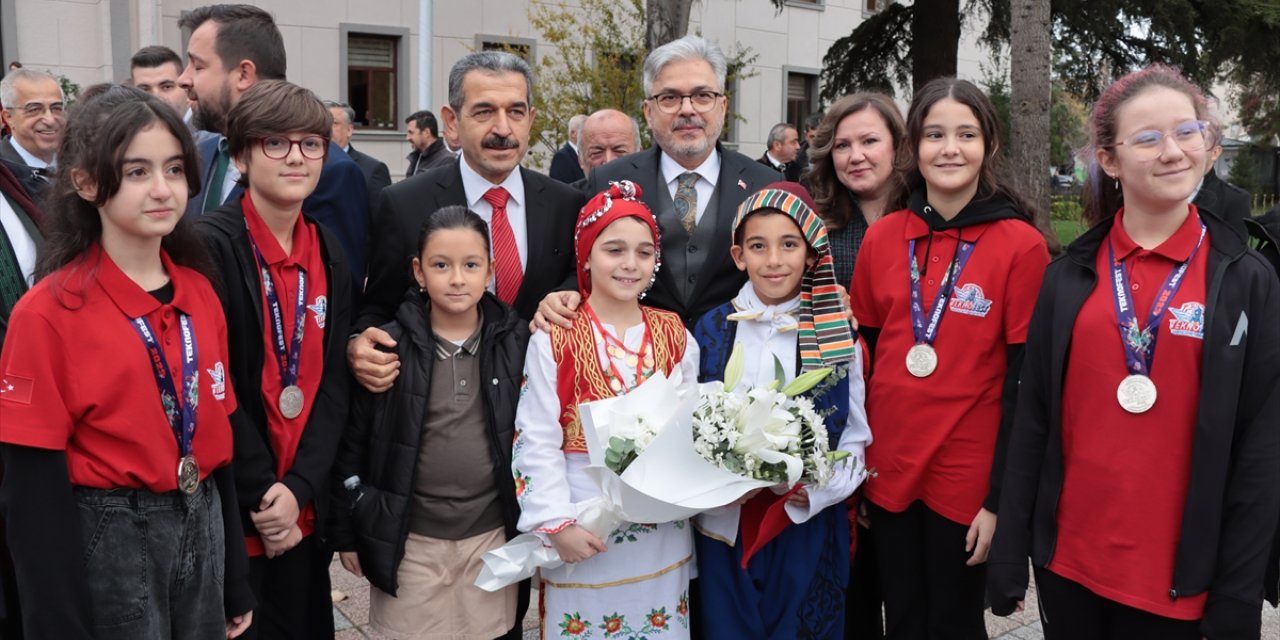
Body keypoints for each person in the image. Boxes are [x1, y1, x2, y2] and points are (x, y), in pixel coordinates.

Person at [988, 64, 1280, 640]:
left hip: (1182, 583)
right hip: (1070, 568)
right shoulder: (1067, 276)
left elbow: (1262, 451)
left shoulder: (1248, 280)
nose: (1172, 151)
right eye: (1147, 138)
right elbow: (1033, 420)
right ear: (1110, 160)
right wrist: (1010, 550)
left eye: (1187, 131)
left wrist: (1239, 594)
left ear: (1209, 143)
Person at [0, 83, 254, 639]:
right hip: (111, 534)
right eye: (137, 172)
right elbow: (31, 491)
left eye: (174, 169)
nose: (162, 189)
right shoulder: (47, 313)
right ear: (87, 183)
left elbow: (217, 443)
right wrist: (56, 622)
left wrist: (234, 571)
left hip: (202, 519)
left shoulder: (200, 293)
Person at [849, 77, 1052, 639]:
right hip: (886, 466)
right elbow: (863, 361)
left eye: (966, 133)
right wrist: (855, 469)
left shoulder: (1020, 245)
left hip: (965, 475)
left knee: (954, 623)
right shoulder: (886, 236)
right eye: (934, 134)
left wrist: (998, 501)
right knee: (903, 617)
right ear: (914, 145)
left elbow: (1023, 382)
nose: (949, 148)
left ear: (988, 144)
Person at [196, 80, 353, 640]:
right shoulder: (208, 247)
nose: (296, 157)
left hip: (301, 505)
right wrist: (267, 494)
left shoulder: (328, 248)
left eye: (311, 144)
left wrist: (302, 488)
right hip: (242, 510)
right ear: (240, 154)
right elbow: (211, 386)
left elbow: (334, 381)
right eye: (275, 143)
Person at [330, 205, 529, 639]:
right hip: (411, 541)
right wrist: (346, 531)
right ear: (419, 272)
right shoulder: (388, 347)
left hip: (490, 537)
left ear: (490, 271)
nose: (457, 278)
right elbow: (353, 444)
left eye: (471, 265)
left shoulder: (517, 342)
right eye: (441, 265)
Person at [514, 180, 699, 638]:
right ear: (587, 256)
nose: (630, 264)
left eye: (643, 252)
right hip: (582, 526)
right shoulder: (554, 336)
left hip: (660, 530)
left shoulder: (673, 332)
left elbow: (691, 425)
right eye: (614, 249)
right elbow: (535, 437)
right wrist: (555, 522)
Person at [691, 182, 871, 638]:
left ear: (811, 255)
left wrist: (816, 492)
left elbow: (853, 437)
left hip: (802, 523)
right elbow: (687, 421)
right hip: (723, 524)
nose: (774, 261)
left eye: (789, 245)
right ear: (738, 256)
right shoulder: (710, 328)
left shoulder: (836, 336)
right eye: (758, 246)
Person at [350, 51, 584, 388]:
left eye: (515, 112)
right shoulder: (403, 204)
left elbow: (578, 284)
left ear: (531, 119)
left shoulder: (566, 204)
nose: (503, 128)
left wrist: (567, 293)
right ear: (450, 120)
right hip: (444, 411)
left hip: (541, 408)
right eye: (485, 111)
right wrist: (357, 344)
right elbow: (380, 306)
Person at [541, 35, 780, 329]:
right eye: (669, 98)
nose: (687, 109)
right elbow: (580, 265)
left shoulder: (766, 184)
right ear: (648, 112)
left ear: (722, 105)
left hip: (735, 355)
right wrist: (565, 292)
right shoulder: (607, 180)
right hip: (635, 359)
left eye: (703, 96)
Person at [176, 4, 368, 292]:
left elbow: (339, 295)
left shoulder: (330, 173)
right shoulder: (202, 152)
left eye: (198, 65)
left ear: (243, 74)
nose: (184, 79)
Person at [806, 92, 906, 287]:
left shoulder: (927, 214)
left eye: (869, 141)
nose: (856, 156)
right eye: (842, 145)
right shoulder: (814, 225)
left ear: (898, 144)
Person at [0, 68, 65, 201]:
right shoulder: (4, 174)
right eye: (34, 109)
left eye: (56, 108)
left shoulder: (80, 163)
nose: (50, 119)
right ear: (8, 118)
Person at [326, 99, 391, 213]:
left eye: (334, 123)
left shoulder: (372, 170)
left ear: (349, 130)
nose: (326, 129)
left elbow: (382, 222)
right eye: (323, 123)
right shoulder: (309, 163)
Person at [1193, 133, 1252, 235]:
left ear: (1215, 152)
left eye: (1196, 147)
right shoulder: (1166, 193)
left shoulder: (1235, 199)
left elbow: (1235, 248)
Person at [570, 109, 641, 192]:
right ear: (581, 159)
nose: (608, 161)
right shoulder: (566, 202)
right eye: (596, 153)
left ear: (639, 155)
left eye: (619, 151)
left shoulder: (657, 197)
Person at [130, 45, 192, 119]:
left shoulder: (205, 127)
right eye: (144, 90)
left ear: (185, 88)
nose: (156, 97)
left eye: (167, 87)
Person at [404, 109, 452, 177]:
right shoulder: (417, 158)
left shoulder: (447, 161)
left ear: (426, 132)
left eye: (411, 132)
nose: (407, 138)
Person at [549, 113, 586, 184]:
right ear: (573, 133)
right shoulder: (561, 157)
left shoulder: (589, 154)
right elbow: (560, 188)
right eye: (585, 131)